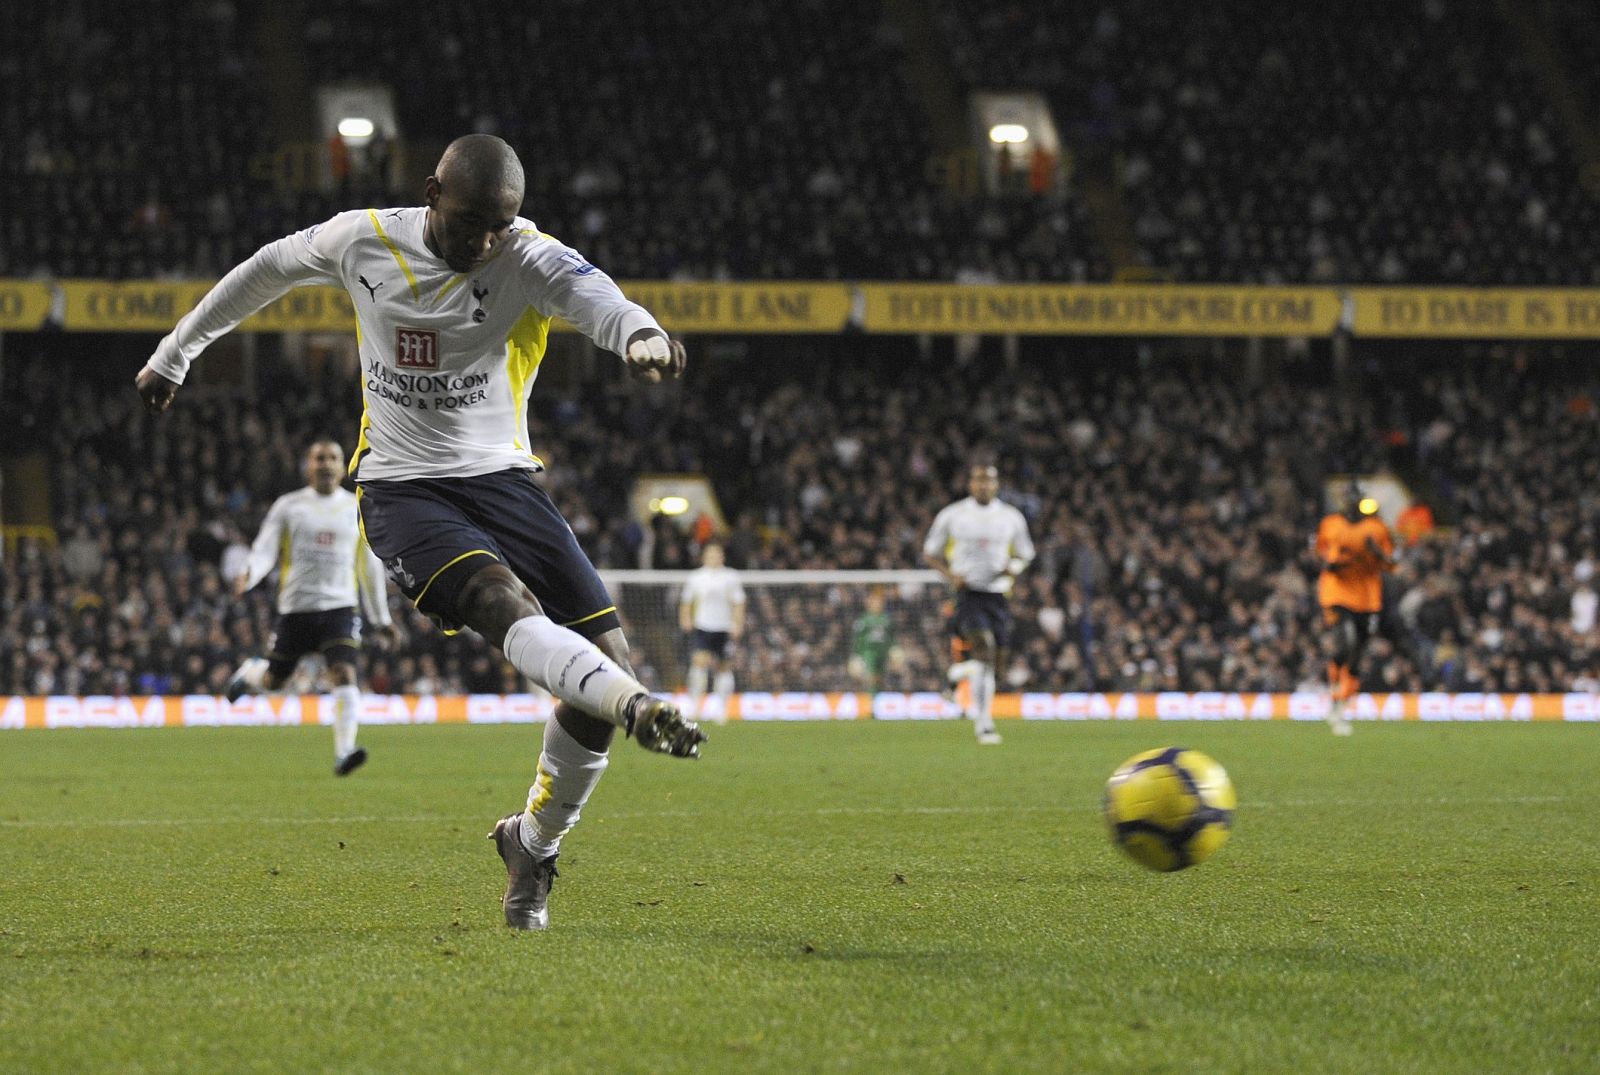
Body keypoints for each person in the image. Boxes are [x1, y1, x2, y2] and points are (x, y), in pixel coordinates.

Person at [135, 134, 707, 931]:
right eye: (470, 220)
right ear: (430, 191)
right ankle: (640, 707)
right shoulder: (361, 238)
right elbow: (264, 269)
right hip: (403, 487)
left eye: (498, 225)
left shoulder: (524, 252)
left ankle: (532, 842)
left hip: (506, 480)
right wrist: (176, 353)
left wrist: (639, 336)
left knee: (597, 671)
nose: (484, 240)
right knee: (505, 603)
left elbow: (597, 295)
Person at [223, 437, 396, 776]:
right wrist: (250, 573)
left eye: (332, 458)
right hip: (296, 608)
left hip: (340, 608)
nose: (326, 464)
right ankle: (251, 672)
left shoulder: (355, 508)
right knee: (274, 681)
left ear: (343, 466)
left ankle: (345, 751)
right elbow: (265, 548)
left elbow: (370, 566)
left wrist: (380, 617)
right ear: (308, 466)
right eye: (319, 458)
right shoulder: (289, 506)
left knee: (344, 673)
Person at [923, 462, 1035, 744]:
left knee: (996, 666)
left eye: (988, 480)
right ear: (970, 484)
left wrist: (1015, 568)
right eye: (978, 480)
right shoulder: (953, 515)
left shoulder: (1011, 517)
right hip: (968, 594)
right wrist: (951, 576)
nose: (983, 485)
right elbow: (930, 553)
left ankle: (957, 672)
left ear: (996, 485)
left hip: (998, 596)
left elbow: (1026, 554)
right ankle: (984, 724)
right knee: (984, 648)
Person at [1315, 482, 1396, 735]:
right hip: (1338, 592)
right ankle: (1335, 689)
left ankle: (1341, 702)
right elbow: (1323, 554)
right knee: (1346, 638)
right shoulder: (1331, 525)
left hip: (1367, 596)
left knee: (1357, 651)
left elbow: (1391, 562)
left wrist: (1376, 552)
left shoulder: (1377, 528)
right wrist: (1334, 564)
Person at [677, 541, 745, 720]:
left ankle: (722, 709)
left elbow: (738, 602)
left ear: (722, 556)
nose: (714, 557)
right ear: (704, 557)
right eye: (710, 554)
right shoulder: (696, 577)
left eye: (717, 554)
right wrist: (685, 619)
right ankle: (695, 705)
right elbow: (686, 601)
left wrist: (737, 624)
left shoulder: (730, 577)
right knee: (699, 663)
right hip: (703, 626)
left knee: (724, 667)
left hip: (724, 627)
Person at [848, 587, 897, 692]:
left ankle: (878, 695)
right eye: (875, 602)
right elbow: (858, 638)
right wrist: (856, 654)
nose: (878, 604)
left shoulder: (886, 619)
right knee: (870, 676)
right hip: (869, 652)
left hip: (883, 652)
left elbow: (892, 636)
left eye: (879, 602)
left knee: (881, 676)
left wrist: (894, 648)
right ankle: (871, 697)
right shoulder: (864, 619)